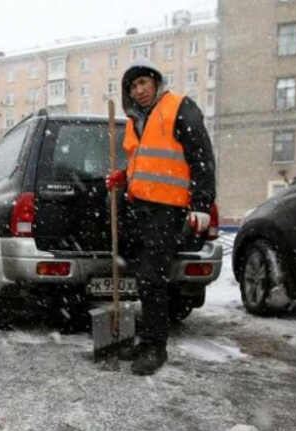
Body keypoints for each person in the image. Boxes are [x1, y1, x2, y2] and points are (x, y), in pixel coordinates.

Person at [107, 58, 216, 376]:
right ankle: (147, 341)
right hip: (141, 207)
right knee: (145, 277)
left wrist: (201, 204)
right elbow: (145, 163)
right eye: (133, 86)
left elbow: (201, 157)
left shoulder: (179, 107)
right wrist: (123, 177)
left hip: (169, 209)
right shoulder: (135, 120)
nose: (139, 90)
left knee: (151, 278)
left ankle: (156, 346)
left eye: (144, 82)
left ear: (156, 82)